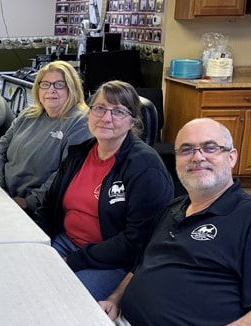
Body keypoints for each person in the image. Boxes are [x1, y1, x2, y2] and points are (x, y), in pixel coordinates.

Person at [100, 118, 251, 326]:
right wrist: (115, 299)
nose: (197, 157)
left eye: (210, 148)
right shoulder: (174, 208)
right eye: (186, 149)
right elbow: (142, 265)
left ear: (232, 157)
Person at [34, 80, 173, 300]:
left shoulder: (145, 169)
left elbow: (136, 241)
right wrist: (34, 242)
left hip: (113, 261)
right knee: (19, 279)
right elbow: (49, 205)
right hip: (65, 242)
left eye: (118, 111)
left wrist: (74, 261)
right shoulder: (79, 154)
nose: (106, 118)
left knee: (60, 300)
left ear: (132, 121)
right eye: (99, 108)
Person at [0, 60, 92, 213]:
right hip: (4, 198)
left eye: (59, 84)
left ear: (72, 88)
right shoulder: (28, 114)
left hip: (36, 210)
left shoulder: (80, 122)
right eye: (45, 84)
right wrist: (0, 188)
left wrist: (28, 202)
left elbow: (65, 174)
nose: (51, 90)